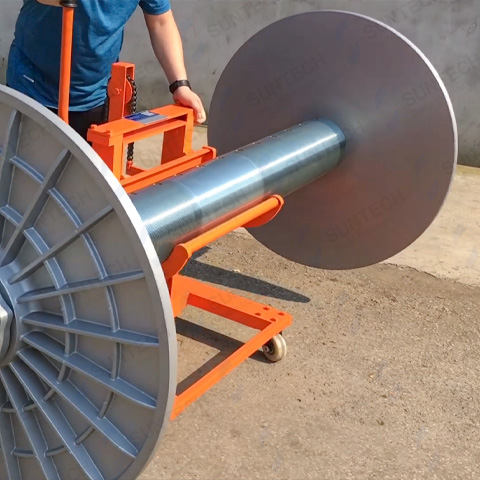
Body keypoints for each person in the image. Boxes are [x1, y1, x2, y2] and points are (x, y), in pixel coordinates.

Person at [7, 0, 206, 139]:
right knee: (25, 177)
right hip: (32, 88)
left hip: (94, 96)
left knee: (84, 180)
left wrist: (180, 84)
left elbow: (161, 22)